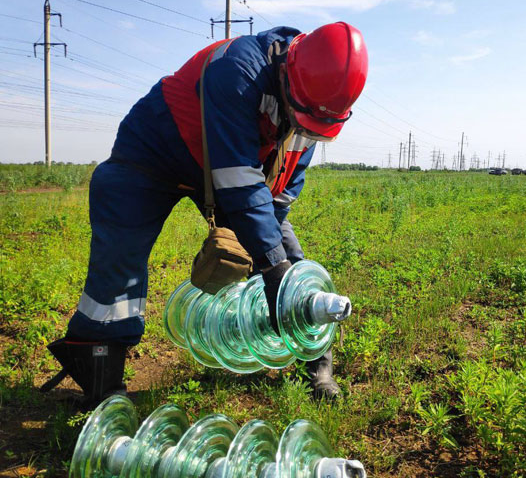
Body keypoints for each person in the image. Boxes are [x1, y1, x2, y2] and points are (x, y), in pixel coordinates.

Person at [40, 23, 368, 407]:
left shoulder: (314, 108)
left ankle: (317, 362)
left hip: (230, 169)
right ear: (287, 71)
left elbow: (276, 196)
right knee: (119, 264)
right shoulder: (237, 69)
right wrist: (271, 267)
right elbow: (238, 181)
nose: (304, 129)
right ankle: (99, 370)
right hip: (152, 155)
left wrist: (280, 267)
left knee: (287, 259)